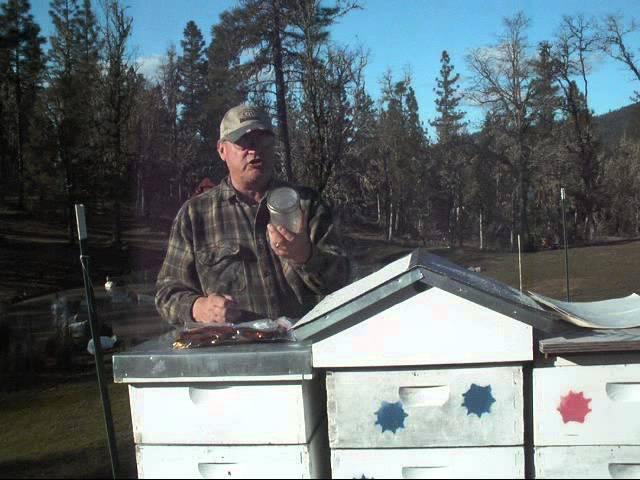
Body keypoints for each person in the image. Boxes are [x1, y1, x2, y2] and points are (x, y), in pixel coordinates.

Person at [155, 104, 350, 325]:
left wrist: (305, 256)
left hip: (304, 347)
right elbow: (166, 292)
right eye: (244, 143)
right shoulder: (195, 215)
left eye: (263, 141)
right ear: (222, 150)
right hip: (233, 353)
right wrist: (198, 308)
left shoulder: (307, 205)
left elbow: (344, 282)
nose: (255, 151)